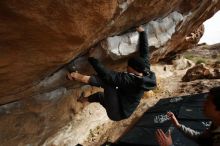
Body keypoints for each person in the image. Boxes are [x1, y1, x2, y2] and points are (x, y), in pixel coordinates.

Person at [67, 26, 157, 121]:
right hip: (122, 102)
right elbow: (145, 52)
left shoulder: (130, 80)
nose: (126, 68)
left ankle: (76, 76)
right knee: (100, 96)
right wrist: (142, 33)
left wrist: (92, 58)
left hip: (117, 113)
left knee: (108, 83)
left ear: (133, 68)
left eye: (128, 66)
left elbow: (107, 75)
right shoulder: (145, 71)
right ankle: (83, 100)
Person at [156, 86, 220, 146]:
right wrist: (177, 125)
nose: (203, 103)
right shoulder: (215, 124)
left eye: (208, 102)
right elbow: (201, 138)